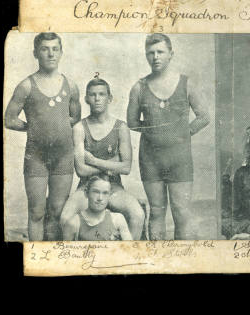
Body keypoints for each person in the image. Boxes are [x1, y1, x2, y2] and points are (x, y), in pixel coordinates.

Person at [127, 33, 210, 240]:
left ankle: (181, 262)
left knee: (181, 212)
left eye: (160, 52)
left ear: (171, 54)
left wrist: (182, 133)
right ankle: (158, 264)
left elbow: (204, 116)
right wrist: (156, 133)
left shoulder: (187, 83)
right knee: (156, 211)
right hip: (151, 159)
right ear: (146, 56)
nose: (155, 57)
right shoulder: (139, 87)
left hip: (179, 159)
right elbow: (132, 123)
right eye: (151, 53)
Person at [5, 33, 81, 241]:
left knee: (57, 210)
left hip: (63, 156)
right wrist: (34, 128)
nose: (50, 53)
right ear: (35, 53)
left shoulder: (70, 85)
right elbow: (9, 119)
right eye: (45, 49)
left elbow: (76, 116)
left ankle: (51, 256)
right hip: (36, 156)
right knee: (37, 212)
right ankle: (37, 256)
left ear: (61, 52)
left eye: (55, 49)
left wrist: (58, 127)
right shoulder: (26, 86)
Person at [60, 77, 146, 240]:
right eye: (93, 95)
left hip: (113, 187)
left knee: (138, 215)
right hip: (87, 187)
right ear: (86, 99)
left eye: (102, 94)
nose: (97, 99)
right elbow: (81, 170)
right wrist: (113, 164)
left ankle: (130, 258)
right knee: (65, 219)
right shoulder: (79, 128)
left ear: (110, 98)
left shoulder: (121, 127)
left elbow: (126, 168)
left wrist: (93, 160)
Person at [63, 175, 133, 241]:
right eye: (96, 192)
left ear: (109, 195)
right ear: (86, 193)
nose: (100, 198)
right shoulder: (74, 223)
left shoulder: (118, 219)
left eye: (105, 193)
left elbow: (129, 250)